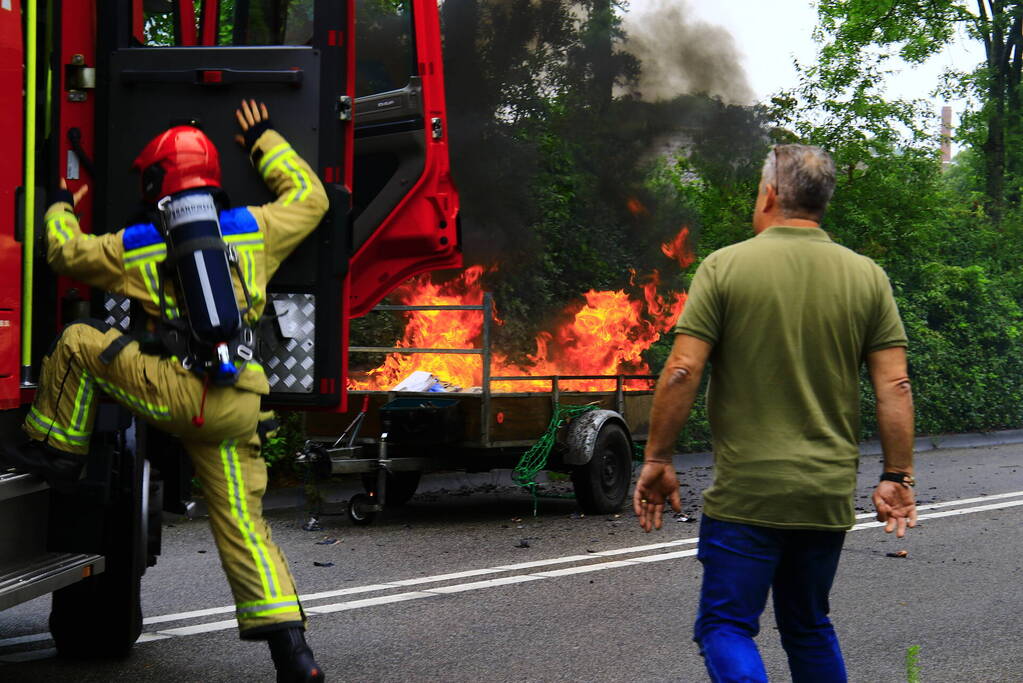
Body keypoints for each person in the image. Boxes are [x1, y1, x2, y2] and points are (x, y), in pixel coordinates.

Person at [1, 100, 328, 682]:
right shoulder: (257, 230)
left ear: (158, 180)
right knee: (244, 529)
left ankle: (58, 449)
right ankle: (294, 654)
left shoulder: (140, 243)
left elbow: (63, 253)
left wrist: (58, 203)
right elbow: (313, 197)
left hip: (176, 393)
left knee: (79, 340)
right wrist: (264, 139)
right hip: (239, 404)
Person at [634, 144, 917, 682]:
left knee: (726, 626)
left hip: (747, 494)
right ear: (822, 202)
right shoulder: (867, 276)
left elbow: (681, 371)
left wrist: (657, 457)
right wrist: (896, 476)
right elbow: (895, 384)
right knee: (808, 625)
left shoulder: (725, 266)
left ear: (769, 194)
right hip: (824, 494)